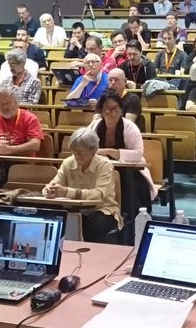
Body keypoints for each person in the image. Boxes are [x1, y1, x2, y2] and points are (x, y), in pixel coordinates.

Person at [43, 127, 122, 243]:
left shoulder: (104, 165)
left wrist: (67, 192)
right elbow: (55, 182)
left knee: (94, 224)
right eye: (74, 151)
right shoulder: (68, 162)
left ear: (93, 150)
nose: (76, 156)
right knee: (51, 216)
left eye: (80, 152)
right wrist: (49, 190)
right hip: (73, 209)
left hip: (102, 209)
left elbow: (99, 194)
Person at [88, 91, 156, 221]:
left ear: (121, 109)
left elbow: (138, 154)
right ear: (101, 111)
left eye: (116, 109)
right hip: (102, 170)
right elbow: (86, 148)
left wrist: (110, 152)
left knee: (131, 185)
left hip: (131, 172)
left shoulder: (130, 127)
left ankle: (130, 219)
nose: (112, 113)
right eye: (108, 109)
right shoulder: (95, 126)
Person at [0, 85, 44, 157]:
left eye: (8, 103)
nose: (5, 107)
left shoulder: (30, 119)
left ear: (17, 103)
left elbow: (35, 145)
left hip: (23, 162)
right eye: (1, 104)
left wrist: (9, 149)